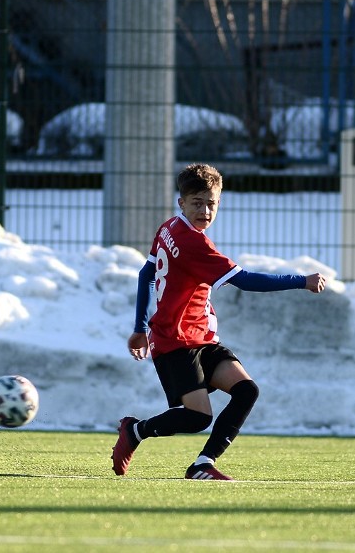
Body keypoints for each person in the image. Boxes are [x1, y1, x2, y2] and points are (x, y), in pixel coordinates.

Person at [112, 163, 326, 481]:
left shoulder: (168, 227)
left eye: (212, 202)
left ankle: (203, 464)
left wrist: (140, 326)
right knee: (198, 417)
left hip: (201, 337)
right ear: (182, 202)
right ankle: (136, 431)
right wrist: (301, 281)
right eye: (197, 202)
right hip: (175, 341)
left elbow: (146, 273)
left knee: (246, 391)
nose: (206, 210)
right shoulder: (192, 243)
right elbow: (246, 280)